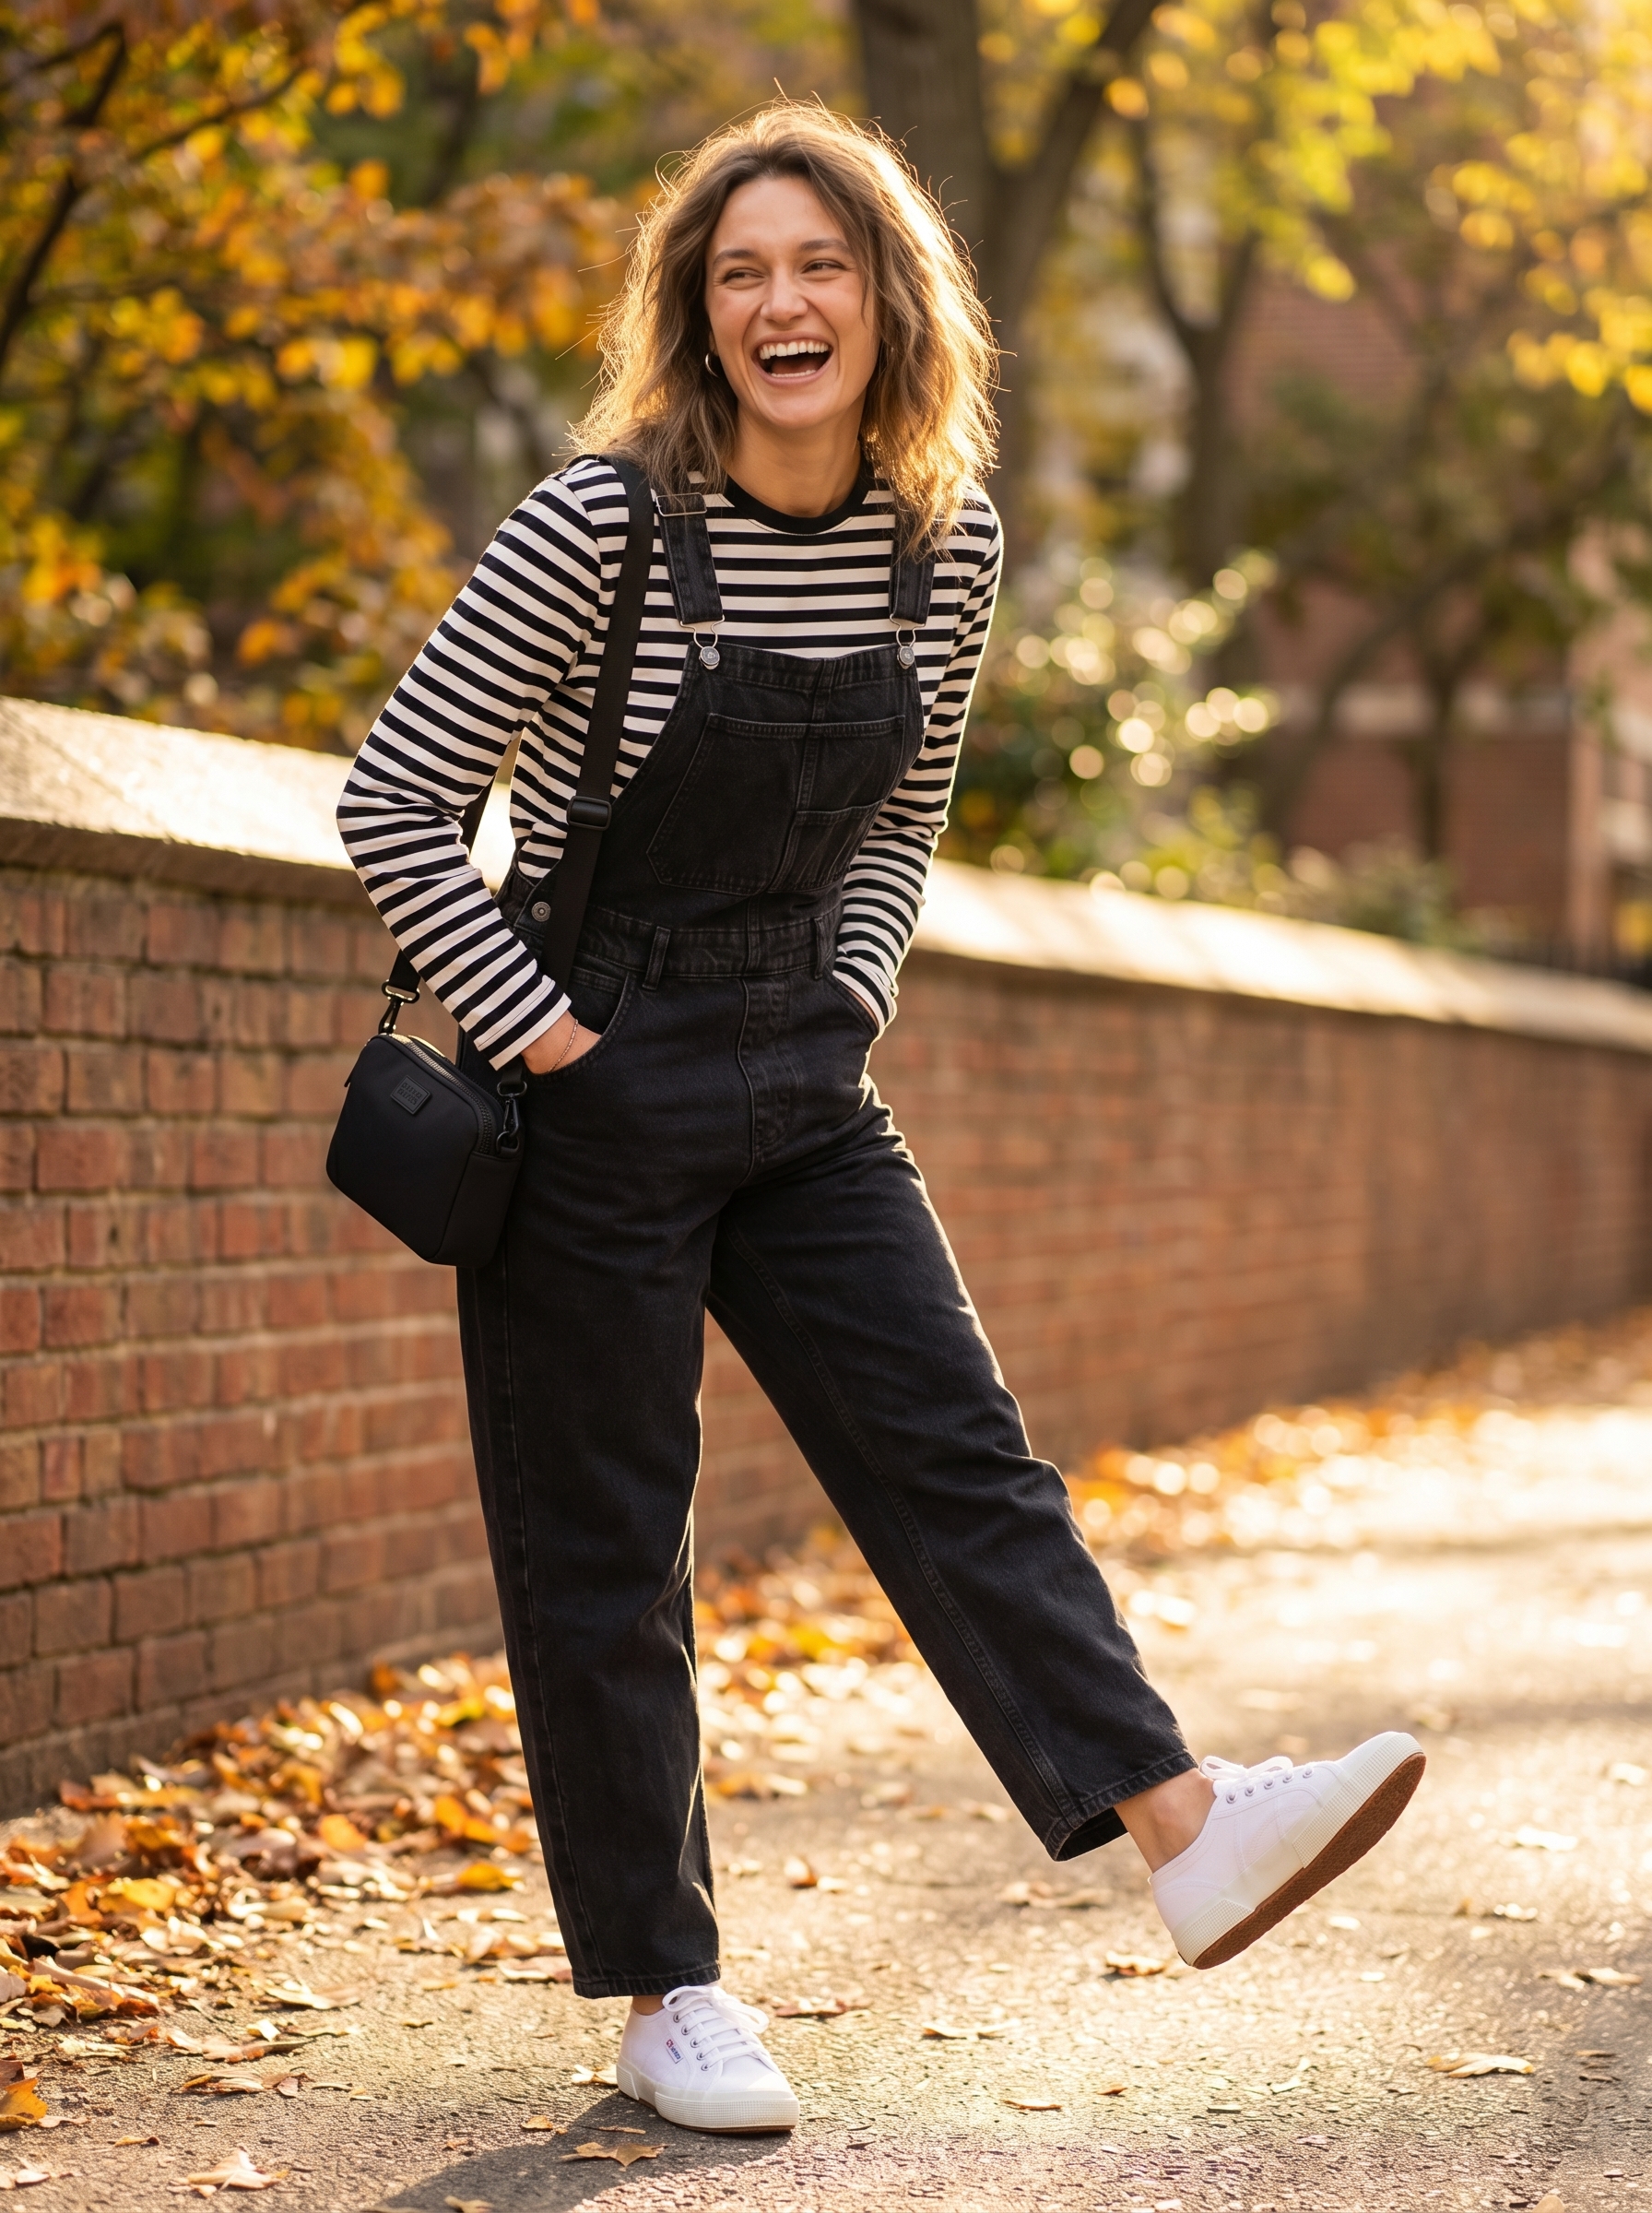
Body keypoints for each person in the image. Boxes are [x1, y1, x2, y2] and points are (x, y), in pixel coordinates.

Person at [336, 102, 1423, 2139]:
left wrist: (849, 994)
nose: (782, 302)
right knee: (605, 1546)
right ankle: (667, 1989)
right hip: (593, 1077)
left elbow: (901, 818)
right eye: (740, 270)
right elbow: (393, 795)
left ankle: (1186, 1831)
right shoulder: (599, 525)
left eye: (819, 264)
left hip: (802, 1075)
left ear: (886, 298)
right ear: (697, 313)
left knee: (960, 1454)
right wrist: (548, 1037)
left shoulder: (945, 541)